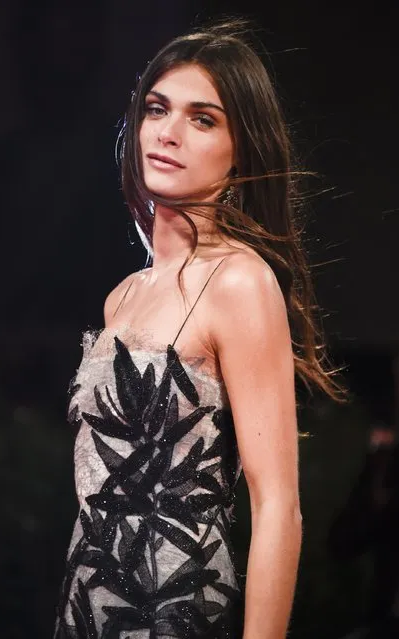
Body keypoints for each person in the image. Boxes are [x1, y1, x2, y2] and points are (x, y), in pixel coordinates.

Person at [53, 18, 344, 639]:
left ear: (243, 149)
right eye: (157, 109)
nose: (170, 132)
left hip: (175, 612)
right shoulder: (122, 297)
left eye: (203, 118)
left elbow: (277, 508)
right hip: (86, 606)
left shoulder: (240, 281)